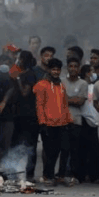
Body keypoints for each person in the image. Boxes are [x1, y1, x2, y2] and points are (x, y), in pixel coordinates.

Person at [34, 57, 74, 186]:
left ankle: (60, 175)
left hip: (62, 123)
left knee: (65, 150)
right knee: (51, 152)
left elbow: (65, 104)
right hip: (48, 123)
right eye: (54, 69)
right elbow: (39, 105)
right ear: (49, 70)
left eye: (58, 70)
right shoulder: (42, 85)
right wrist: (42, 123)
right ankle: (48, 176)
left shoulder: (61, 85)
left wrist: (69, 120)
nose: (56, 72)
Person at [12, 50, 40, 182]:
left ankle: (30, 174)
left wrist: (18, 79)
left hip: (29, 116)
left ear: (23, 60)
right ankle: (15, 173)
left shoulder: (29, 75)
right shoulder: (23, 73)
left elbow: (25, 92)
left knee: (30, 145)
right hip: (19, 115)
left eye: (19, 58)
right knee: (16, 144)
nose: (17, 61)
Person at [61, 57, 88, 182]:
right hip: (62, 120)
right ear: (67, 68)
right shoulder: (61, 82)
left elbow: (80, 101)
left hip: (76, 120)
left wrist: (66, 99)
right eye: (70, 66)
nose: (73, 69)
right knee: (63, 149)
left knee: (75, 150)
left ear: (79, 68)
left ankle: (74, 174)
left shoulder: (83, 83)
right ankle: (62, 174)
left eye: (75, 66)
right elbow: (59, 100)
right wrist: (73, 99)